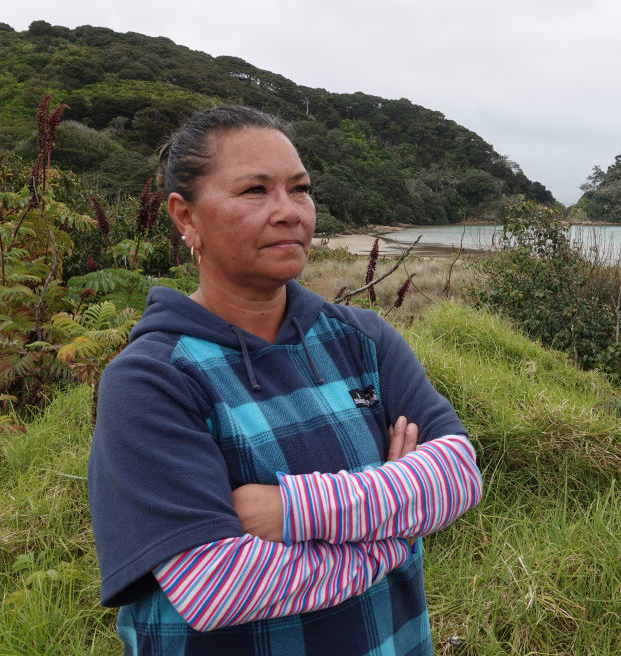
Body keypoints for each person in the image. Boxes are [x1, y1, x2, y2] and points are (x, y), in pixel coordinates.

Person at [87, 105, 482, 655]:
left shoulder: (362, 339)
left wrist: (293, 509)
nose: (289, 211)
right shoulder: (150, 379)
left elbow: (457, 474)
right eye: (255, 190)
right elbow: (219, 586)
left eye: (300, 189)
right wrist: (394, 529)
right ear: (185, 217)